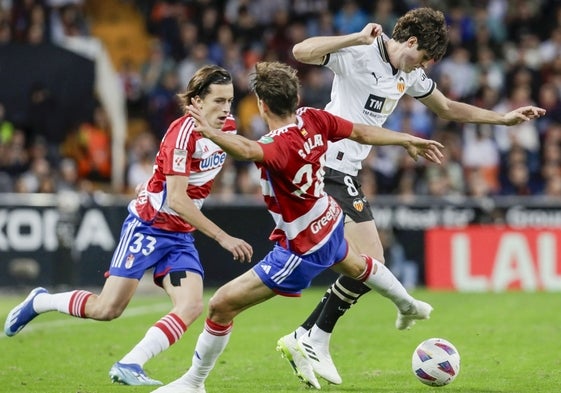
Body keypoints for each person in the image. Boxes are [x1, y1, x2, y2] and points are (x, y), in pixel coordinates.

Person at [279, 6, 547, 387]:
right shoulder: (360, 51)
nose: (420, 67)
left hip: (345, 172)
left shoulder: (410, 73)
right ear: (410, 41)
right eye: (421, 57)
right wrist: (354, 36)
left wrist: (502, 119)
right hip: (325, 165)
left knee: (367, 263)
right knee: (370, 261)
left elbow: (448, 107)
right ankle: (312, 336)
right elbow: (301, 51)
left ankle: (309, 336)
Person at [151, 61, 445, 393]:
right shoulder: (314, 118)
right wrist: (406, 138)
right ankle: (408, 305)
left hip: (300, 249)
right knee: (362, 266)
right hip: (329, 221)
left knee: (220, 306)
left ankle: (194, 382)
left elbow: (248, 149)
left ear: (262, 105)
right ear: (296, 96)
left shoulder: (279, 145)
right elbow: (362, 132)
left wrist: (208, 131)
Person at [3, 65, 253, 386]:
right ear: (197, 101)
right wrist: (222, 236)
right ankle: (40, 301)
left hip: (180, 236)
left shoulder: (227, 127)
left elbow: (243, 153)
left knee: (191, 305)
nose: (226, 109)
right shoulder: (180, 135)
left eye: (230, 101)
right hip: (149, 225)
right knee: (107, 309)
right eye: (218, 101)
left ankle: (130, 363)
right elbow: (176, 199)